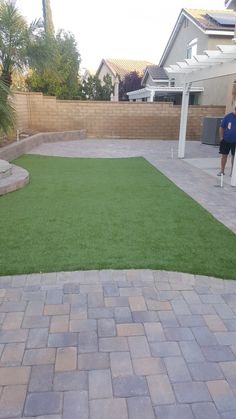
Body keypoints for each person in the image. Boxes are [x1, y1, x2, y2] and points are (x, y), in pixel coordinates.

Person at [218, 105, 236, 176]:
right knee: (224, 156)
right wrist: (221, 138)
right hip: (226, 140)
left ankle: (233, 172)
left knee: (234, 157)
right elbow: (221, 127)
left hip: (235, 142)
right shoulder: (228, 116)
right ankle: (222, 171)